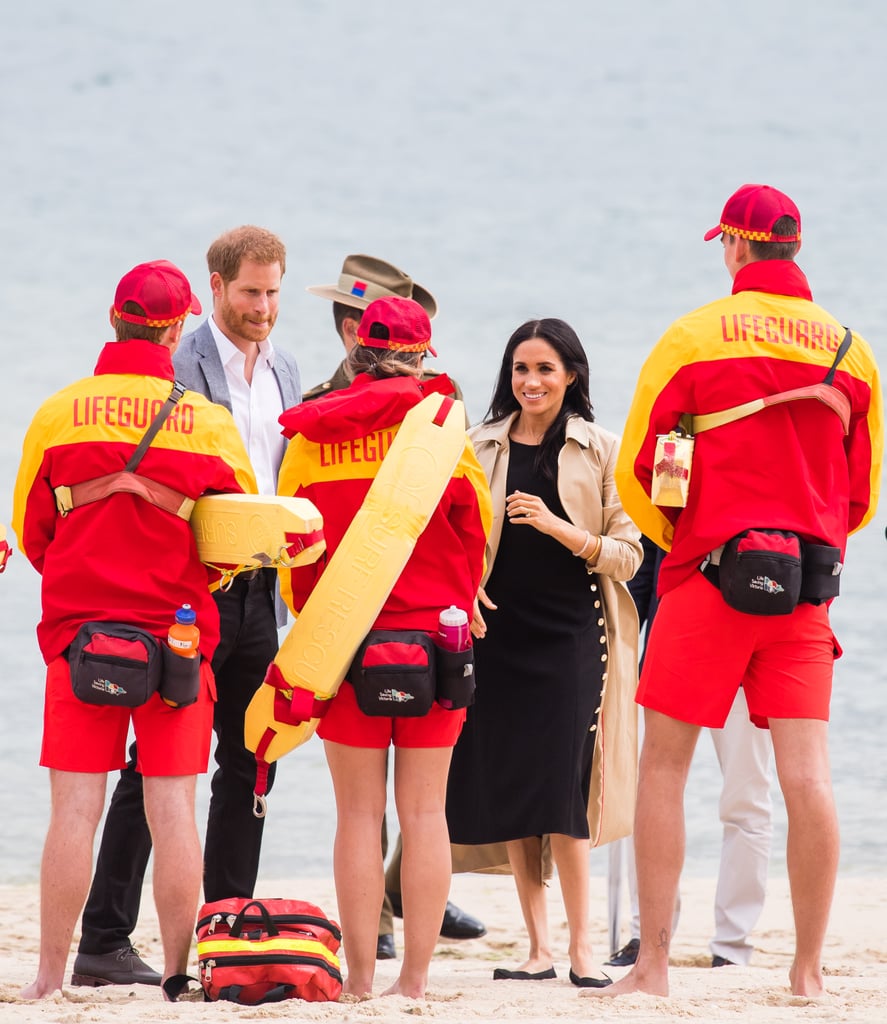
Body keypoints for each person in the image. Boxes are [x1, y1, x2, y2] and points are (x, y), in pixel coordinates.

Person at [591, 184, 882, 1001]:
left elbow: (640, 469)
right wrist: (807, 550)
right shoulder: (849, 348)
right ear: (794, 246)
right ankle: (808, 971)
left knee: (664, 767)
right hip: (803, 589)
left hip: (707, 577)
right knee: (807, 777)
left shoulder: (691, 336)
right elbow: (860, 494)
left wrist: (687, 542)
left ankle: (650, 967)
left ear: (734, 246)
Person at [12, 259, 257, 999]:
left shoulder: (60, 411)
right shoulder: (207, 422)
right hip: (177, 639)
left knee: (75, 811)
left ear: (111, 319)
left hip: (83, 635)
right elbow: (238, 539)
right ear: (179, 327)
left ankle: (50, 978)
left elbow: (34, 531)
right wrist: (193, 580)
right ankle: (178, 977)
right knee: (174, 806)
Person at [72, 226, 300, 987]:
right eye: (248, 292)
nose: (262, 307)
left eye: (272, 292)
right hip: (187, 596)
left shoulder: (287, 373)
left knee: (250, 763)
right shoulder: (173, 365)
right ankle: (104, 938)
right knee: (158, 768)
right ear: (214, 287)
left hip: (264, 598)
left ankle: (228, 931)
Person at [276, 296, 491, 998]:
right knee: (426, 813)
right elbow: (476, 538)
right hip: (434, 640)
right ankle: (416, 983)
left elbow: (294, 548)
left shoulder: (311, 439)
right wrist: (455, 603)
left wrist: (316, 624)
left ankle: (362, 980)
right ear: (425, 356)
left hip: (345, 642)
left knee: (357, 817)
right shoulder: (440, 429)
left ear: (355, 350)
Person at [445, 318, 642, 986]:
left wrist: (561, 529)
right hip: (497, 638)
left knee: (562, 790)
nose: (530, 382)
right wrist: (463, 592)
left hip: (572, 636)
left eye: (544, 370)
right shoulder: (478, 446)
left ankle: (583, 950)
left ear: (571, 377)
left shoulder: (602, 449)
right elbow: (450, 540)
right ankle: (537, 949)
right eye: (520, 369)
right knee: (518, 791)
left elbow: (629, 555)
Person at [607, 534, 773, 970]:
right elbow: (648, 556)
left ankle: (733, 944)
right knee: (651, 787)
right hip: (679, 637)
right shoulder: (682, 464)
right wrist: (621, 654)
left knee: (747, 797)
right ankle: (646, 932)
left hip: (756, 641)